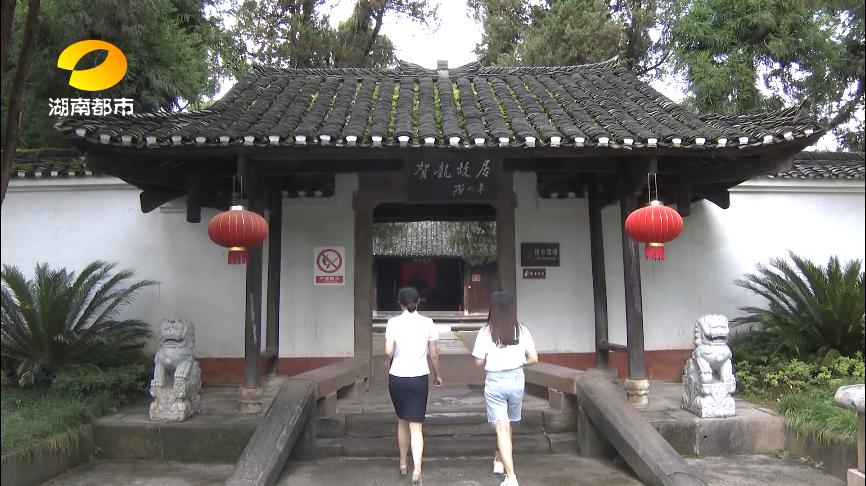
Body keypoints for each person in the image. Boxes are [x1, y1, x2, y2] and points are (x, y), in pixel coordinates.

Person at [472, 289, 538, 486]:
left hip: (495, 382)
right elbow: (534, 358)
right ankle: (500, 460)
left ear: (492, 308)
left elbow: (478, 361)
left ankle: (511, 477)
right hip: (517, 379)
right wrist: (517, 362)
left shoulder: (486, 332)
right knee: (508, 425)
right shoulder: (522, 330)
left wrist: (493, 360)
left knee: (501, 427)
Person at [385, 287, 443, 484]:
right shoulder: (428, 323)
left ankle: (403, 463)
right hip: (419, 377)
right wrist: (437, 375)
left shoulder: (393, 323)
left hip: (397, 377)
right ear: (418, 302)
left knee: (402, 421)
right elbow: (433, 354)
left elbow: (388, 351)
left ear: (399, 303)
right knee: (416, 426)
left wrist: (389, 355)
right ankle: (417, 468)